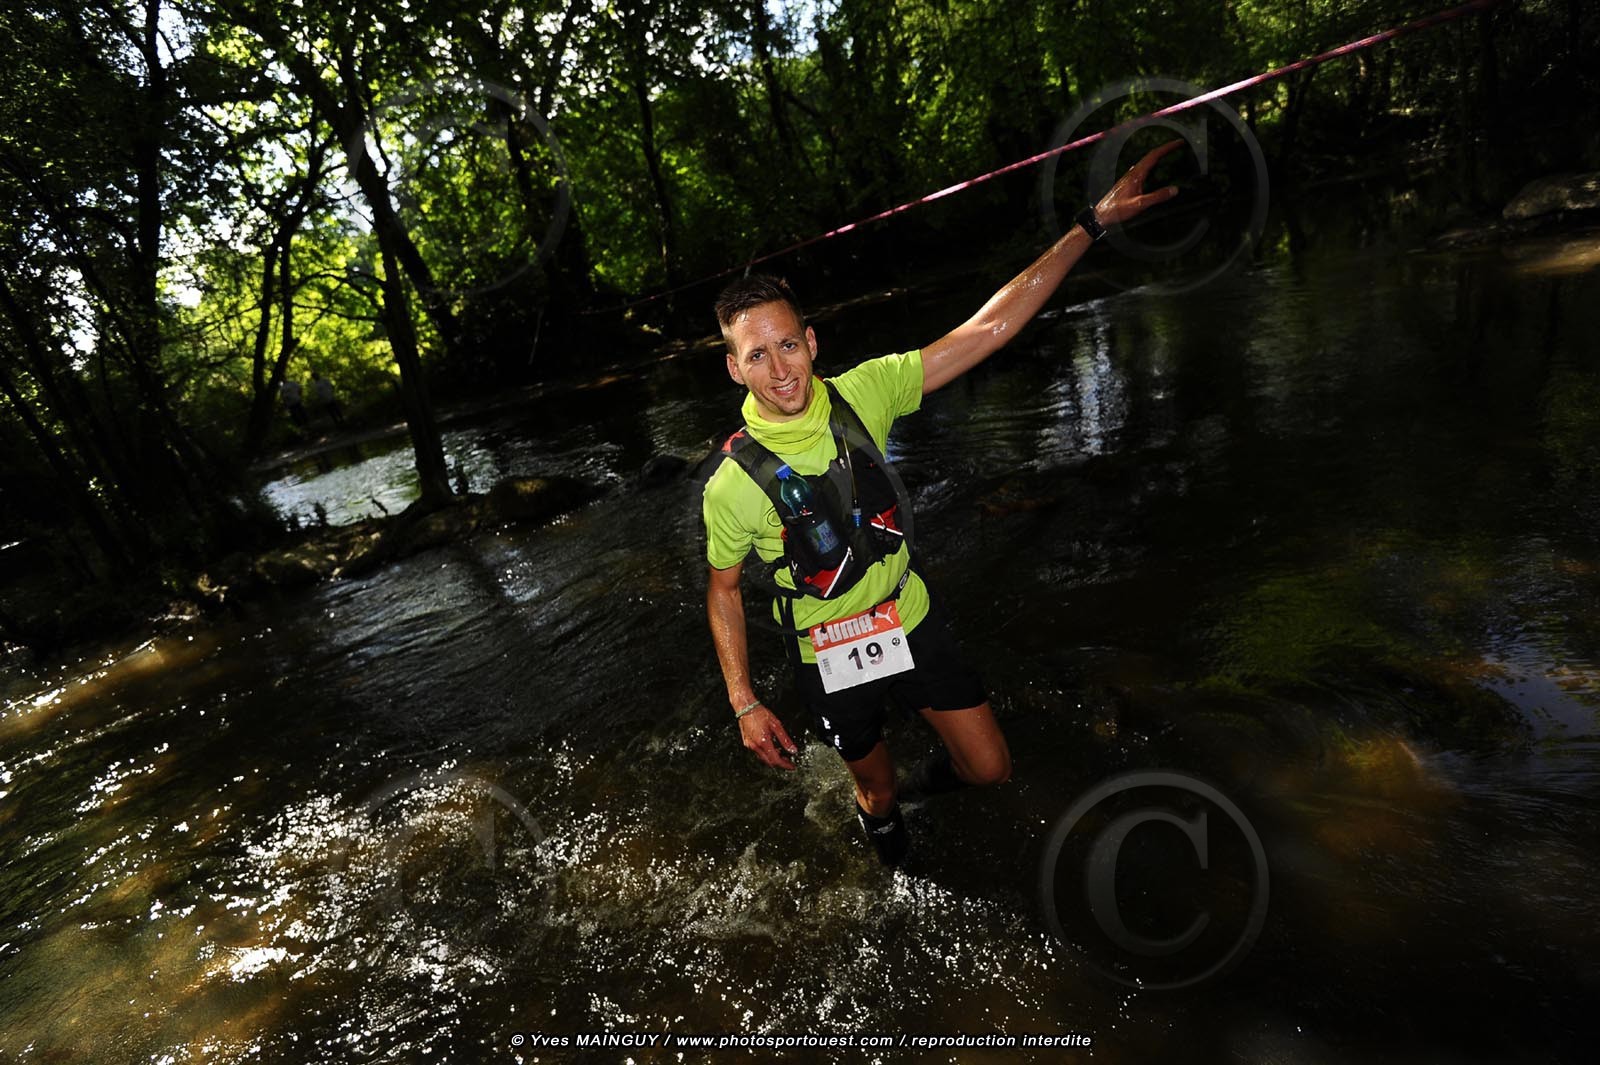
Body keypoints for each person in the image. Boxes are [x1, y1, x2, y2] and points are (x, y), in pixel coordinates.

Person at [703, 141, 1181, 866]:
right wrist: (744, 699)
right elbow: (724, 590)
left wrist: (1091, 224)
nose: (780, 370)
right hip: (827, 652)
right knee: (876, 789)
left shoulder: (868, 391)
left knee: (990, 767)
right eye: (757, 355)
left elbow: (988, 328)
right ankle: (890, 836)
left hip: (908, 613)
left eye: (787, 345)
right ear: (735, 367)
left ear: (812, 341)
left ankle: (923, 792)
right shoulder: (731, 484)